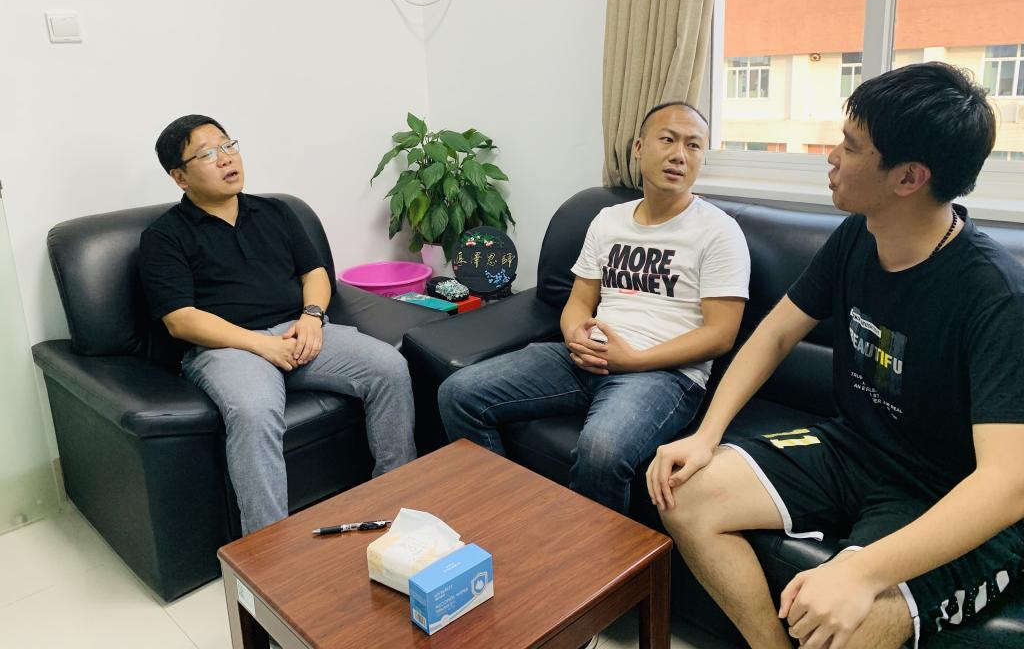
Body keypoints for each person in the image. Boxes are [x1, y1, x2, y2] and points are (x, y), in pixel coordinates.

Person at [648, 62, 1024, 649]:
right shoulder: (857, 235)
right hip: (855, 448)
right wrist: (706, 435)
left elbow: (1006, 482)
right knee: (684, 493)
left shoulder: (995, 294)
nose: (831, 157)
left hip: (946, 493)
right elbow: (774, 335)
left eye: (850, 147)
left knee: (848, 627)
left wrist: (860, 571)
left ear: (908, 178)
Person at [438, 102, 750, 513]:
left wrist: (635, 360)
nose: (679, 155)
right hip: (588, 357)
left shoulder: (719, 231)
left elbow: (720, 335)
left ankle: (588, 552)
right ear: (638, 148)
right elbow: (579, 301)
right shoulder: (608, 220)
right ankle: (505, 516)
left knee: (602, 449)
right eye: (668, 139)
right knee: (458, 393)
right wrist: (574, 336)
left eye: (693, 146)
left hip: (664, 374)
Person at [139, 114, 416, 535]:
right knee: (254, 409)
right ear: (180, 177)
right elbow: (181, 320)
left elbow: (315, 273)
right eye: (208, 154)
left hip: (297, 329)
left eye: (228, 146)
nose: (226, 159)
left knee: (389, 368)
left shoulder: (276, 211)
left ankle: (398, 500)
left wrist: (312, 318)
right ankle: (269, 548)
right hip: (228, 349)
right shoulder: (164, 237)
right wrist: (261, 345)